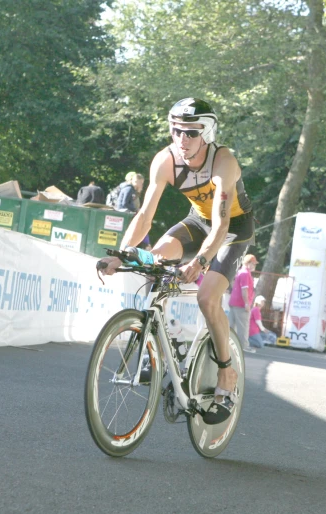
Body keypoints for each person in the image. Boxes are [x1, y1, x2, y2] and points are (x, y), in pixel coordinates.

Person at [98, 97, 254, 425]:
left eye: (191, 132)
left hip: (232, 230)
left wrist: (200, 262)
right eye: (177, 131)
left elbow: (222, 224)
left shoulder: (223, 161)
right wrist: (122, 253)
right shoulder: (165, 160)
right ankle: (155, 339)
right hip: (197, 223)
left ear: (207, 133)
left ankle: (227, 373)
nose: (182, 139)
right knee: (151, 259)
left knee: (207, 296)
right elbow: (144, 215)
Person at [229, 254, 259, 354]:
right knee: (243, 326)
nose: (254, 266)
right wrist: (247, 303)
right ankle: (244, 346)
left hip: (234, 302)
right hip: (241, 304)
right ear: (249, 263)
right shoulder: (246, 273)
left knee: (230, 325)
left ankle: (226, 344)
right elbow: (244, 290)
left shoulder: (240, 272)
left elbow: (235, 285)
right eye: (253, 263)